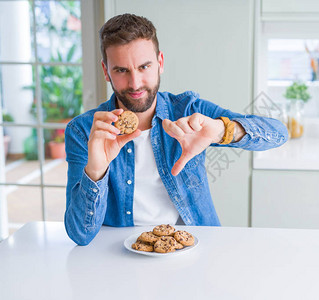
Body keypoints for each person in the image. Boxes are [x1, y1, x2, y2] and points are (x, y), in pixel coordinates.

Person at [64, 13, 288, 246]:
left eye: (144, 66)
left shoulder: (188, 110)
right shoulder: (84, 132)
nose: (135, 83)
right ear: (106, 70)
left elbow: (278, 133)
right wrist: (96, 170)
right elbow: (80, 234)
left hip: (196, 249)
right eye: (121, 70)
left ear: (160, 62)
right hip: (120, 254)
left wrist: (221, 130)